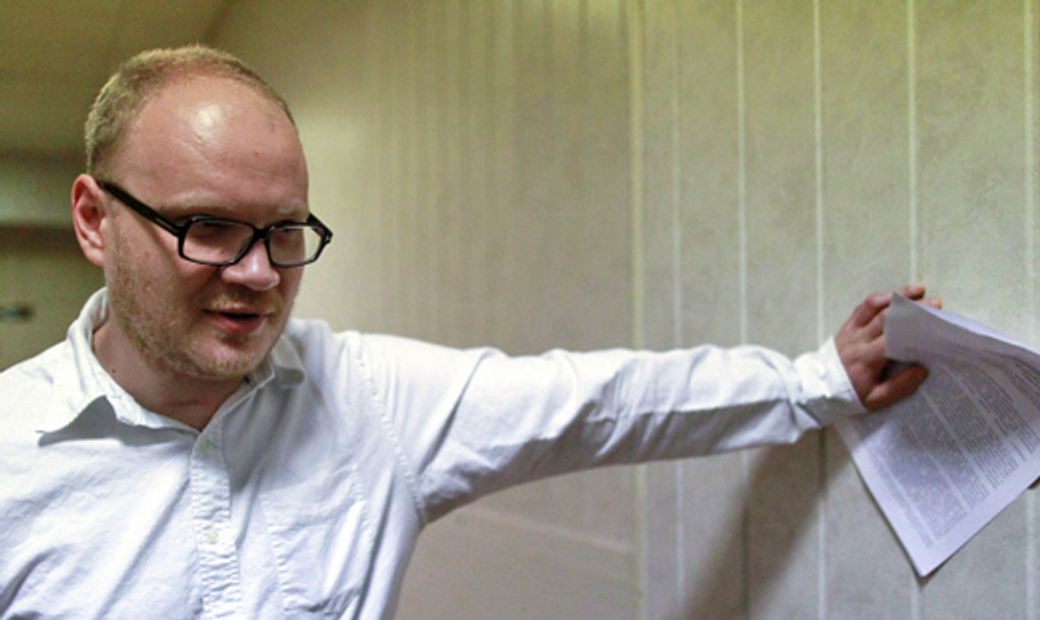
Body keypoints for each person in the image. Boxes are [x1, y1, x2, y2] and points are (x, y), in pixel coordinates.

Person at [0, 45, 937, 620]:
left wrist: (820, 380)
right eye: (208, 227)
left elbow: (598, 402)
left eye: (284, 231)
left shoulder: (364, 400)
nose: (258, 275)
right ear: (95, 220)